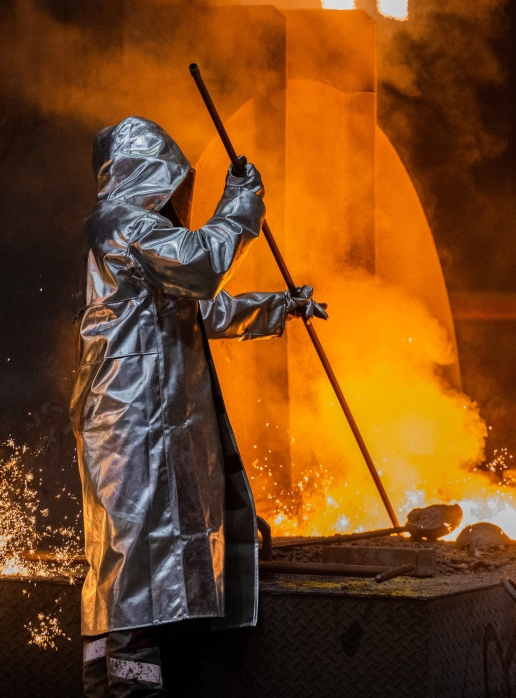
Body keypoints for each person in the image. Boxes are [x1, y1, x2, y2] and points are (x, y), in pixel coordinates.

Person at [70, 116, 326, 697]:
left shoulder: (142, 242)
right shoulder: (117, 223)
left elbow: (204, 311)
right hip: (128, 426)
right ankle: (121, 688)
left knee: (160, 568)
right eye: (172, 182)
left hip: (157, 428)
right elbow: (203, 264)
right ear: (147, 175)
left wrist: (280, 308)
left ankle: (153, 683)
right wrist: (239, 206)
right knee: (131, 571)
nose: (177, 197)